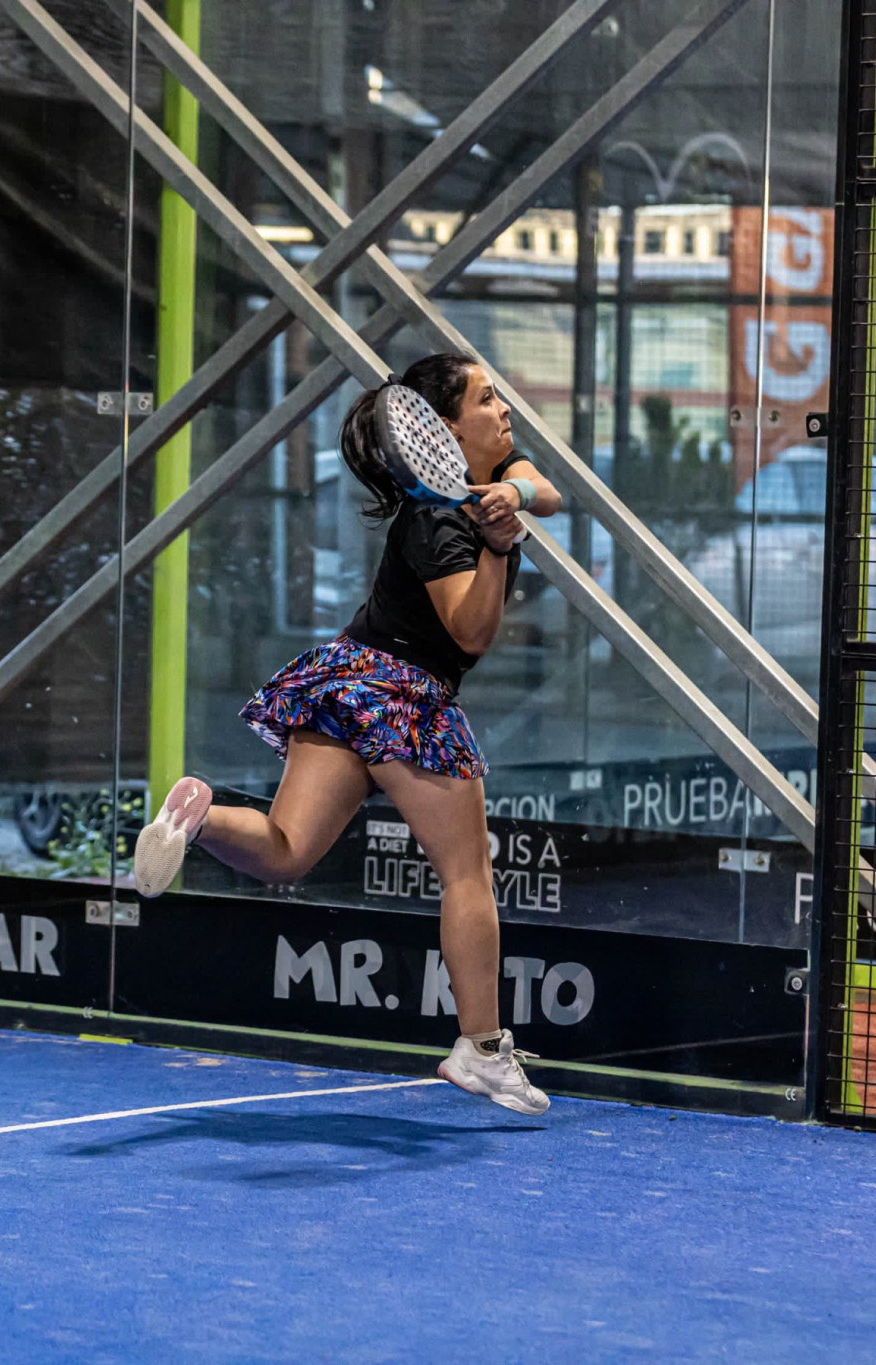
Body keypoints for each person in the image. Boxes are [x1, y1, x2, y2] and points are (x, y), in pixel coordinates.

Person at [131, 353, 562, 1115]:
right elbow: (470, 634)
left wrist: (514, 496)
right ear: (443, 429)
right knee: (467, 875)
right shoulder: (437, 524)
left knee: (286, 851)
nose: (504, 410)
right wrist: (498, 547)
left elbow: (546, 489)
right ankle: (482, 1050)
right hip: (400, 695)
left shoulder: (489, 475)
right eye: (487, 399)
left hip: (344, 677)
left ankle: (198, 818)